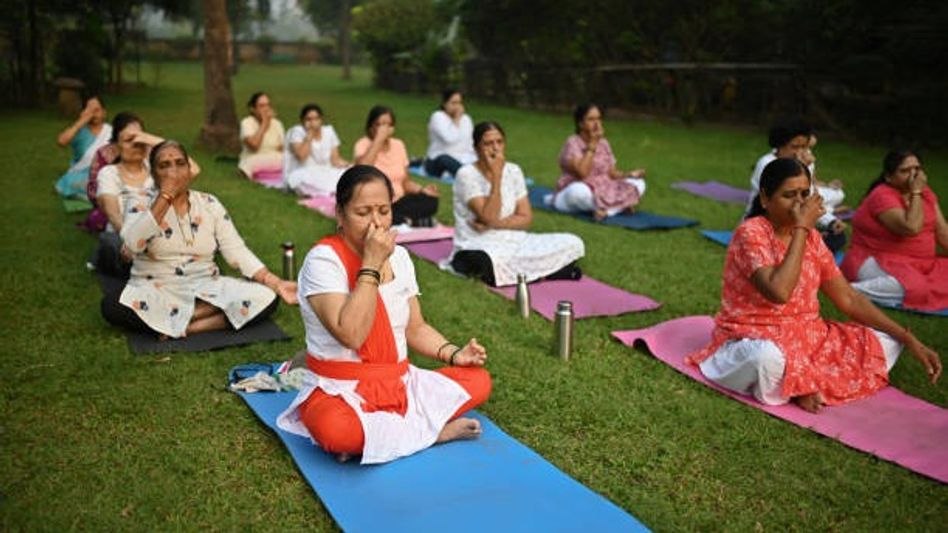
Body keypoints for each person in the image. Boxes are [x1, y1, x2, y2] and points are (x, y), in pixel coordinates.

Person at [687, 158, 941, 413]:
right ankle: (796, 385)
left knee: (885, 341)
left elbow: (849, 299)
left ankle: (798, 382)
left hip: (808, 336)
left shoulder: (813, 239)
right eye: (789, 195)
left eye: (804, 194)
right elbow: (779, 292)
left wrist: (908, 338)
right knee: (766, 359)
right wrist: (801, 227)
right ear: (765, 198)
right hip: (753, 335)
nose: (800, 203)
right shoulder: (751, 233)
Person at [276, 165, 491, 464]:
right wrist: (371, 264)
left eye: (383, 210)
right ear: (340, 214)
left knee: (479, 379)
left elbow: (415, 328)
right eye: (363, 212)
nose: (375, 223)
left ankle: (385, 437)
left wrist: (457, 355)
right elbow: (351, 334)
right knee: (336, 430)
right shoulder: (323, 261)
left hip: (399, 383)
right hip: (340, 389)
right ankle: (432, 433)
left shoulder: (400, 257)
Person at [101, 140, 297, 338]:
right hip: (158, 289)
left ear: (188, 169)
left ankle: (187, 326)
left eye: (180, 163)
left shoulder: (209, 203)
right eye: (164, 165)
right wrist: (165, 197)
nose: (174, 171)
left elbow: (235, 249)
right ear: (153, 173)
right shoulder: (139, 200)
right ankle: (201, 317)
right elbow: (132, 244)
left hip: (205, 286)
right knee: (112, 306)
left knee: (267, 297)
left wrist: (275, 282)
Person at [451, 121, 585, 286]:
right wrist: (497, 176)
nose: (495, 148)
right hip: (477, 243)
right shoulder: (466, 174)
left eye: (499, 142)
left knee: (573, 242)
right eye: (488, 143)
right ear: (476, 148)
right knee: (488, 260)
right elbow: (489, 215)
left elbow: (525, 218)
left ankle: (533, 273)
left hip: (512, 238)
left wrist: (495, 224)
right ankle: (549, 271)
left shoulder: (514, 170)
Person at [841, 150, 948, 311]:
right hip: (877, 259)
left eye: (917, 169)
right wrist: (916, 192)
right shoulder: (882, 196)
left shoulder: (926, 193)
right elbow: (911, 227)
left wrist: (918, 192)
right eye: (905, 171)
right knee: (915, 288)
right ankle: (847, 290)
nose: (913, 176)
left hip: (922, 263)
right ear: (889, 177)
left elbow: (943, 233)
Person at [745, 119, 847, 251]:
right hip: (770, 222)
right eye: (794, 147)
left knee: (838, 236)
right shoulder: (766, 164)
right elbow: (789, 204)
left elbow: (807, 197)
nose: (799, 152)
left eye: (804, 147)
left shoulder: (804, 160)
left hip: (793, 220)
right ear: (780, 145)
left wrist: (831, 221)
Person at [93, 117, 169, 277]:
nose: (137, 145)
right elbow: (113, 215)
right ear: (115, 146)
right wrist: (136, 242)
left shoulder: (155, 168)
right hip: (124, 236)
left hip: (161, 234)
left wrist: (149, 139)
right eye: (129, 140)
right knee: (113, 246)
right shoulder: (108, 173)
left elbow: (188, 166)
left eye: (140, 139)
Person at [550, 103, 646, 220]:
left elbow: (611, 173)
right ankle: (618, 207)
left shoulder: (604, 143)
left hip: (603, 190)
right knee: (578, 192)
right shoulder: (572, 142)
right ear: (580, 124)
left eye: (599, 119)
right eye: (591, 119)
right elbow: (582, 173)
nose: (597, 123)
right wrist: (593, 145)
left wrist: (629, 174)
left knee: (639, 183)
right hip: (575, 192)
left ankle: (607, 211)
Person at [354, 105, 439, 226]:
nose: (384, 129)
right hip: (375, 203)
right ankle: (410, 221)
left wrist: (422, 190)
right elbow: (360, 171)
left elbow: (405, 182)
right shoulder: (363, 144)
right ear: (371, 126)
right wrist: (378, 140)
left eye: (387, 125)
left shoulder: (398, 145)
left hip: (398, 202)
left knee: (431, 200)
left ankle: (403, 220)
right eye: (379, 124)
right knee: (373, 213)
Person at [81, 111, 142, 232]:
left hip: (143, 204)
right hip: (112, 202)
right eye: (129, 138)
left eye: (139, 136)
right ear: (117, 139)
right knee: (98, 219)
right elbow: (93, 190)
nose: (135, 142)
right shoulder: (105, 159)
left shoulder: (147, 154)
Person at [283, 103, 349, 197]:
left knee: (348, 175)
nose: (312, 122)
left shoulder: (328, 131)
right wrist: (309, 135)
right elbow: (301, 157)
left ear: (321, 120)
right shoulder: (297, 132)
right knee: (305, 182)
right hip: (303, 171)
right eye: (308, 119)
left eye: (316, 119)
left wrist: (348, 166)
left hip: (325, 171)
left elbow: (335, 159)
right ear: (302, 121)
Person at [55, 95, 112, 198]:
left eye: (96, 110)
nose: (93, 114)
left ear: (104, 112)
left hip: (106, 174)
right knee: (72, 182)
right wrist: (81, 121)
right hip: (82, 175)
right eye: (90, 111)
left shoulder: (111, 131)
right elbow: (61, 142)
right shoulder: (78, 131)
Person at [423, 89, 477, 178]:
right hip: (438, 160)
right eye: (453, 103)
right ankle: (468, 176)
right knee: (444, 159)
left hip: (463, 158)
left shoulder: (466, 119)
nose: (457, 107)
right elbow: (449, 138)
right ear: (445, 104)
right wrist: (456, 120)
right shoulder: (437, 117)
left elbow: (470, 142)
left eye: (459, 103)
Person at [238, 92, 285, 179]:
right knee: (250, 163)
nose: (266, 109)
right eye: (262, 106)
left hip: (274, 158)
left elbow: (282, 148)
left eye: (268, 105)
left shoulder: (277, 123)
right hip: (254, 158)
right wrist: (264, 125)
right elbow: (254, 146)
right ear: (253, 109)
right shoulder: (247, 123)